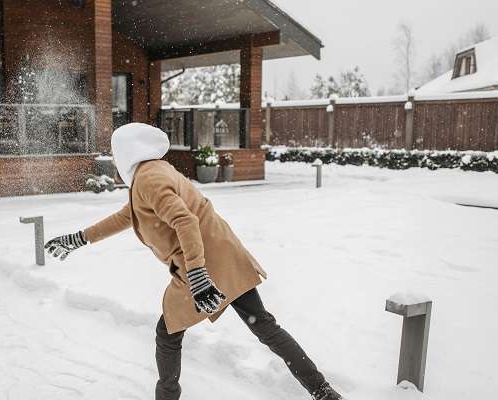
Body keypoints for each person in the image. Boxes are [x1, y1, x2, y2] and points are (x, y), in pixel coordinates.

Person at [44, 123, 342, 400]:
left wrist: (199, 276)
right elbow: (127, 217)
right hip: (224, 257)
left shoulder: (149, 178)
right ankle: (322, 390)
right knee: (264, 326)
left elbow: (185, 222)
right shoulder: (151, 174)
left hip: (200, 265)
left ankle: (167, 396)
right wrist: (78, 238)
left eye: (114, 152)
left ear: (126, 152)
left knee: (168, 332)